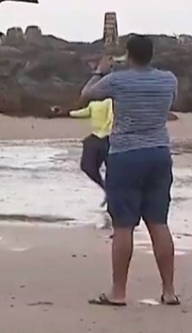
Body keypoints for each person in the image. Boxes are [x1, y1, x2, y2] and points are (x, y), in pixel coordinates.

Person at [81, 35, 179, 307]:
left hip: (125, 154)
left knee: (124, 226)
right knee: (158, 223)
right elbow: (170, 104)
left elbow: (87, 95)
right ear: (151, 54)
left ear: (128, 55)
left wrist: (101, 70)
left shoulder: (118, 80)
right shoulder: (168, 79)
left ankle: (119, 292)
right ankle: (169, 291)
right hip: (159, 152)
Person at [53, 98, 113, 203]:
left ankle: (113, 196)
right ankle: (106, 189)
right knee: (87, 167)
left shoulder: (110, 101)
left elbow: (111, 118)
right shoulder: (93, 104)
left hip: (108, 137)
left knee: (112, 170)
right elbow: (83, 112)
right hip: (96, 137)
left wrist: (105, 131)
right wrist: (66, 112)